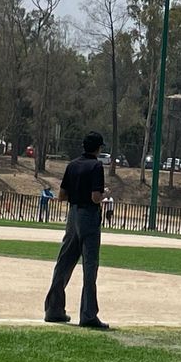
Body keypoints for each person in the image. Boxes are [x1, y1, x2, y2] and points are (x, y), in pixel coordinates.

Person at [43, 131, 109, 330]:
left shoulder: (72, 165)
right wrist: (106, 193)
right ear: (98, 148)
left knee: (64, 262)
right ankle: (88, 314)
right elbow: (95, 198)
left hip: (72, 215)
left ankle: (53, 309)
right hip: (89, 216)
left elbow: (62, 195)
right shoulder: (96, 166)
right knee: (90, 266)